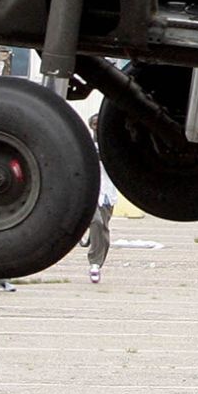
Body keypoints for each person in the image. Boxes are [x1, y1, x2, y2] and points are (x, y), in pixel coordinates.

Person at [86, 113, 117, 285]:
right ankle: (94, 263)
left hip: (107, 192)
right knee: (96, 222)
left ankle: (98, 261)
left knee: (103, 228)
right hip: (91, 192)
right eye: (94, 125)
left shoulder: (112, 146)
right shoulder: (88, 146)